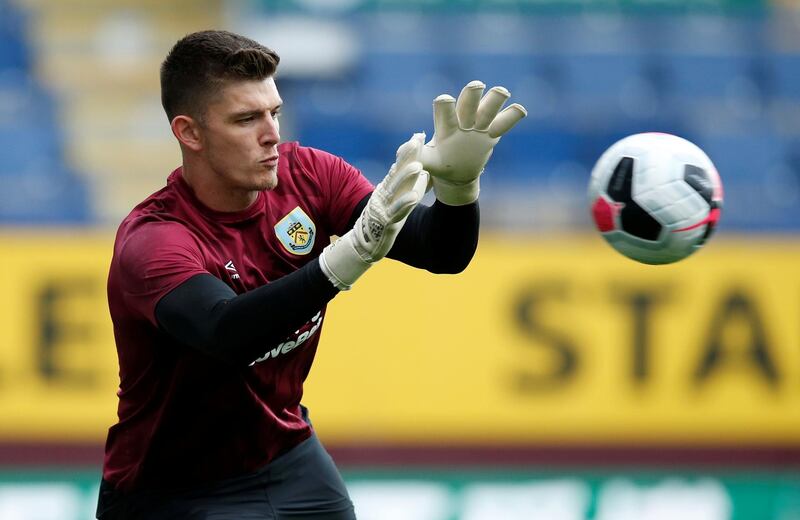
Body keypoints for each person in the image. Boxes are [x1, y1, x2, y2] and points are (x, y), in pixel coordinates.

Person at [96, 29, 526, 520]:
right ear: (189, 133)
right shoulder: (154, 240)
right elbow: (225, 333)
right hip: (172, 492)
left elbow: (440, 252)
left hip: (289, 457)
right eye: (246, 119)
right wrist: (343, 263)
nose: (271, 134)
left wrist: (458, 188)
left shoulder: (311, 177)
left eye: (274, 112)